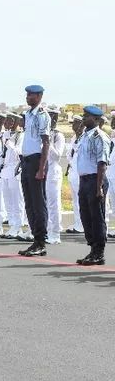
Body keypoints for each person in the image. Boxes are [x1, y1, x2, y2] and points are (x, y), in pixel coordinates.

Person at [18, 85, 51, 257]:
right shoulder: (29, 114)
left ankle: (41, 241)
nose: (27, 97)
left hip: (37, 161)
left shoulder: (42, 115)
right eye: (27, 94)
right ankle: (35, 239)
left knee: (38, 203)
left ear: (39, 96)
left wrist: (41, 168)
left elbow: (46, 142)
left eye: (31, 95)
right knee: (29, 203)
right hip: (26, 162)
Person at [75, 106, 109, 266]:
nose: (83, 118)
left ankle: (99, 252)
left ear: (96, 119)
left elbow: (102, 163)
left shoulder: (99, 137)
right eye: (83, 115)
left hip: (96, 180)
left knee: (97, 217)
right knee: (85, 216)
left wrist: (99, 186)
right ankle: (92, 248)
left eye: (86, 116)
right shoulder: (84, 135)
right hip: (84, 180)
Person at [45, 105, 65, 244]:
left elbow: (57, 155)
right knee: (44, 203)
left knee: (54, 204)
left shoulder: (59, 135)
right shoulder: (43, 133)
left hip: (53, 172)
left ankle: (55, 233)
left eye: (52, 116)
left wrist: (48, 142)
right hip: (43, 171)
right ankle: (47, 230)